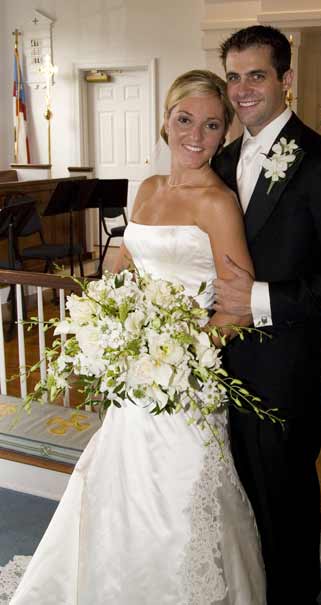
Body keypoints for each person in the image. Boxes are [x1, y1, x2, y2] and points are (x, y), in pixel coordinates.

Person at [10, 70, 267, 605]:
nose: (196, 134)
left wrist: (182, 355)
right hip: (134, 379)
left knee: (176, 497)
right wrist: (104, 319)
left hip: (183, 384)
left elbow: (237, 309)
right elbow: (125, 264)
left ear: (224, 135)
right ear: (165, 122)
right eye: (184, 119)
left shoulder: (218, 204)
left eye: (212, 124)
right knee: (120, 487)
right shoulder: (148, 190)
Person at [211, 25, 321, 605]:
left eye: (255, 75)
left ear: (286, 80)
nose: (241, 89)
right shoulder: (222, 159)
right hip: (215, 372)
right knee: (232, 504)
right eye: (233, 77)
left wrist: (258, 300)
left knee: (284, 509)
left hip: (283, 373)